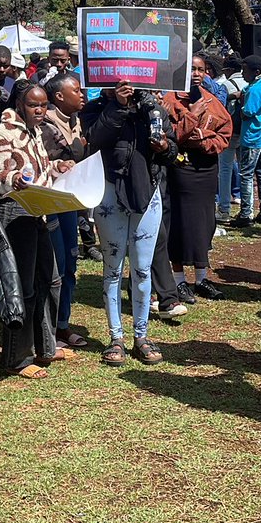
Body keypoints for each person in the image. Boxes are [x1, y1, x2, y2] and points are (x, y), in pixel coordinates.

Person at [0, 82, 72, 380]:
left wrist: (59, 165)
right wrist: (11, 178)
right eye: (35, 105)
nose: (41, 110)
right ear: (21, 104)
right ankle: (16, 358)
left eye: (44, 105)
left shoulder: (36, 131)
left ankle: (45, 347)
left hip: (39, 209)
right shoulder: (3, 133)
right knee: (24, 288)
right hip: (15, 211)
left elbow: (40, 167)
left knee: (51, 280)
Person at [90, 82, 177, 364]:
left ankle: (141, 336)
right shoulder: (97, 109)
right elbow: (95, 138)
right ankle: (116, 337)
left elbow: (173, 152)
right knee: (112, 269)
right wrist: (117, 105)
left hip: (147, 195)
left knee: (141, 270)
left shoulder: (154, 112)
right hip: (109, 195)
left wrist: (164, 145)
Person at [163, 56, 232, 303]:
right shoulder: (169, 99)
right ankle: (179, 279)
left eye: (201, 69)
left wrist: (204, 139)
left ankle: (202, 277)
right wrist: (193, 122)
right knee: (182, 222)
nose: (196, 73)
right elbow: (172, 135)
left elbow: (224, 132)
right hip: (183, 168)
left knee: (205, 222)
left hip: (207, 168)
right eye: (191, 68)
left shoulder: (211, 99)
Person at [41, 74, 88, 349]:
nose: (82, 95)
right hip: (50, 204)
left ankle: (62, 324)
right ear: (59, 96)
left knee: (70, 262)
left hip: (71, 201)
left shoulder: (76, 120)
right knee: (55, 264)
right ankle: (48, 326)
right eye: (76, 90)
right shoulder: (47, 125)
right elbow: (73, 154)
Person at [234, 55, 261, 228]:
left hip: (251, 136)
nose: (242, 73)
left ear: (255, 71)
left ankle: (246, 213)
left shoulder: (255, 90)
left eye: (245, 70)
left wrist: (240, 107)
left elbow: (248, 111)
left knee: (246, 175)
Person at [217, 55, 246, 223]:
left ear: (228, 70)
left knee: (225, 169)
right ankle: (245, 207)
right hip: (247, 131)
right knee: (245, 170)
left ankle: (224, 208)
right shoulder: (250, 83)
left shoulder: (225, 85)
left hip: (229, 132)